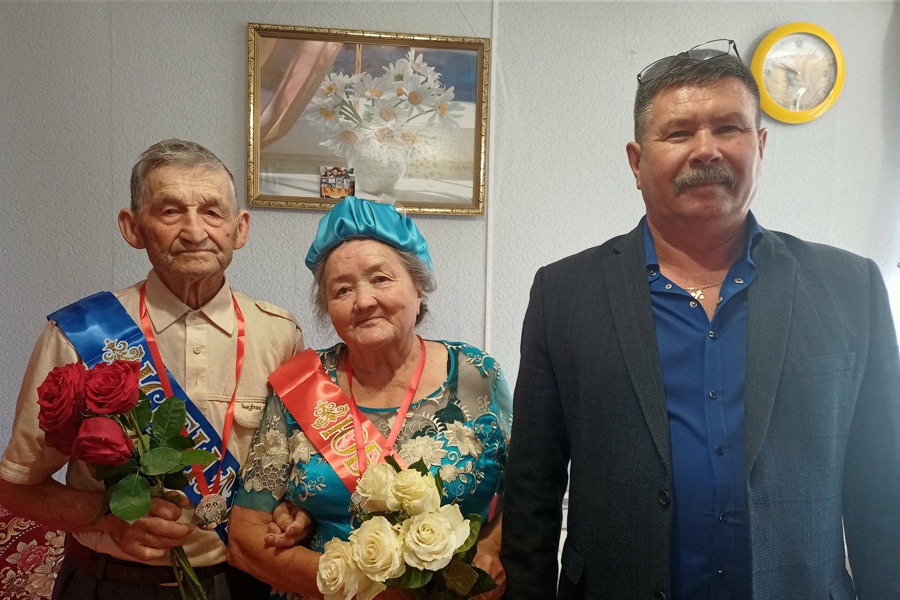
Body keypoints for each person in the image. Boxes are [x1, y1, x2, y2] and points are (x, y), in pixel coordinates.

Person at [500, 39, 900, 600]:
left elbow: (882, 489)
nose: (706, 149)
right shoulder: (564, 293)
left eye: (729, 128)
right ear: (636, 161)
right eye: (679, 133)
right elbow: (532, 487)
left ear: (760, 145)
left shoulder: (849, 287)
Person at [0, 139, 307, 599]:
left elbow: (292, 473)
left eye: (212, 212)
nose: (194, 231)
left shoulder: (280, 334)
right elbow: (17, 488)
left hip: (243, 584)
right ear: (132, 227)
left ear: (240, 229)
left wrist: (293, 511)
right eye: (169, 211)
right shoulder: (79, 333)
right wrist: (109, 515)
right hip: (110, 584)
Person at [227, 195, 512, 599]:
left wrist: (492, 548)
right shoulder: (301, 384)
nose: (363, 301)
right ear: (327, 306)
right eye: (342, 289)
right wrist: (372, 593)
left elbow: (527, 490)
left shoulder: (477, 375)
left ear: (418, 286)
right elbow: (245, 537)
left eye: (380, 279)